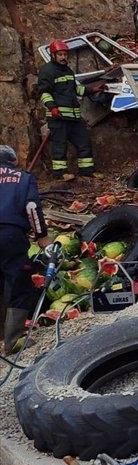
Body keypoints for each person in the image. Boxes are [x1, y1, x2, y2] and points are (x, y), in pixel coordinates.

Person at [0, 145, 48, 355]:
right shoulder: (23, 177)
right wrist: (42, 237)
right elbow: (31, 208)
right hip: (10, 235)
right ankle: (12, 341)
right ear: (13, 161)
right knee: (19, 284)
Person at [37, 40, 96, 182]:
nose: (63, 57)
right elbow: (44, 93)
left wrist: (91, 90)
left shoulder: (68, 71)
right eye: (60, 55)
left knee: (84, 142)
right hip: (58, 117)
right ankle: (60, 174)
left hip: (73, 116)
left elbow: (76, 89)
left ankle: (87, 172)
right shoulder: (47, 71)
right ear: (53, 55)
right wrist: (52, 107)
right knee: (59, 145)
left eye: (65, 54)